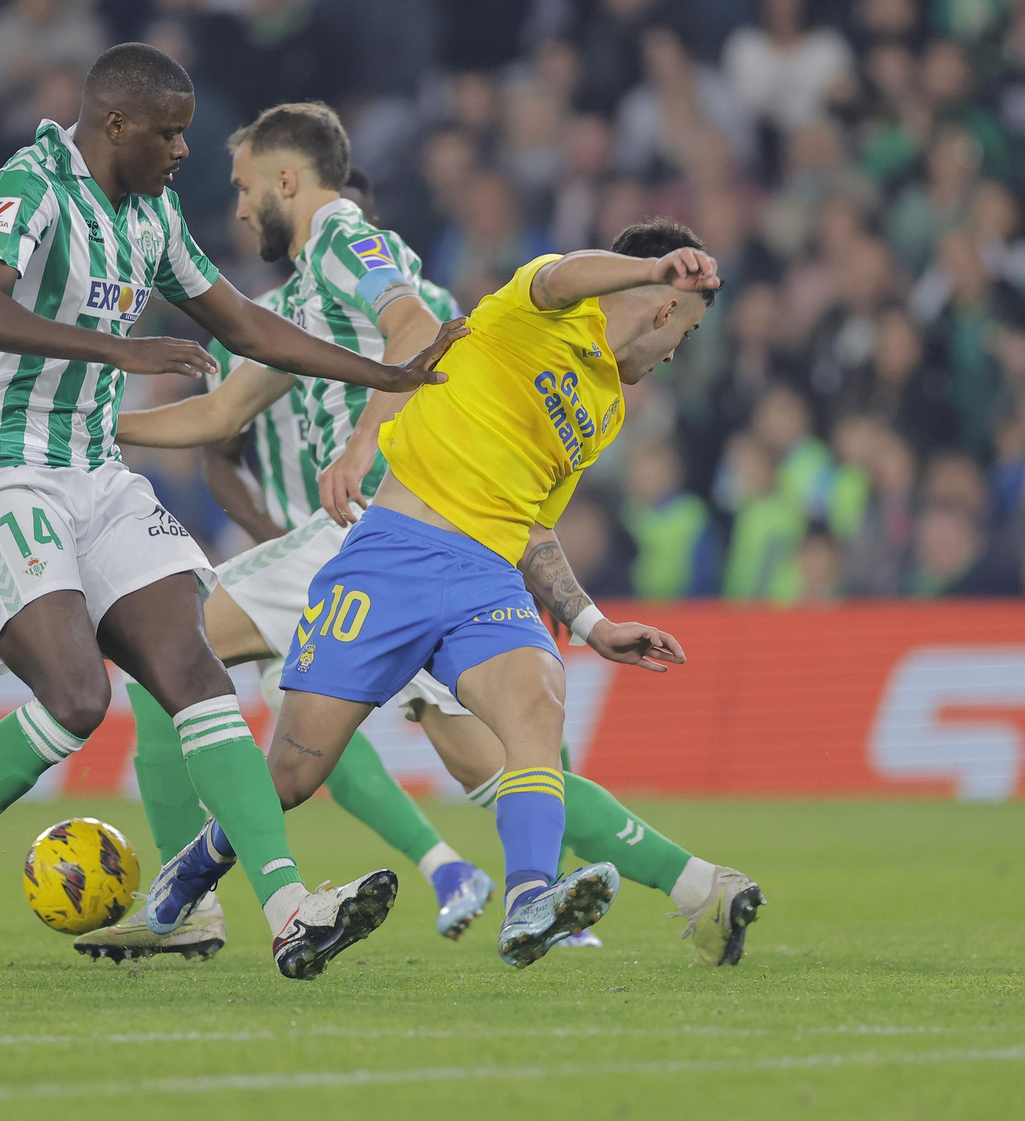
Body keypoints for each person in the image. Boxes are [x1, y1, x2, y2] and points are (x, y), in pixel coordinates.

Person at [0, 44, 460, 990]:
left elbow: (243, 326)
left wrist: (387, 375)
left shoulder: (149, 214)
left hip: (94, 471)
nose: (185, 150)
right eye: (171, 132)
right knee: (77, 700)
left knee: (193, 667)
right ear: (114, 126)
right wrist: (119, 348)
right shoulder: (30, 185)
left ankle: (286, 910)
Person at [148, 214, 767, 969]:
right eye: (688, 331)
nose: (679, 351)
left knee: (537, 704)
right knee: (294, 775)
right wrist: (655, 267)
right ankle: (195, 864)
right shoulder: (540, 306)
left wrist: (592, 620)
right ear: (667, 304)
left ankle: (532, 898)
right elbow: (566, 271)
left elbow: (534, 527)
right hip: (387, 558)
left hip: (484, 580)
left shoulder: (604, 409)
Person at [74, 113, 493, 963]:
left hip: (366, 528)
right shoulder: (302, 295)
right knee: (463, 752)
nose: (236, 209)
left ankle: (188, 901)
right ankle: (677, 880)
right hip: (400, 534)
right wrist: (93, 428)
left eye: (241, 188)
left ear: (287, 182)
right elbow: (222, 413)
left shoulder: (341, 233)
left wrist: (361, 440)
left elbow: (415, 331)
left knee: (165, 649)